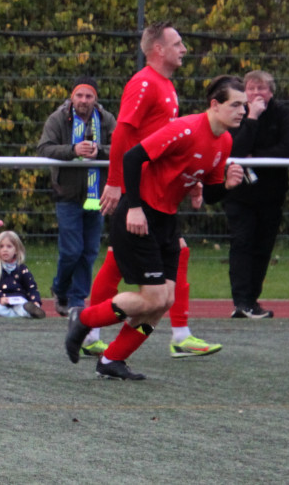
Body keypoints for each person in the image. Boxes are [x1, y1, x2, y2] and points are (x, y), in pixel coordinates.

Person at [65, 76, 246, 380]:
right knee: (151, 299)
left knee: (164, 303)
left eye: (245, 105)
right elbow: (133, 157)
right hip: (140, 215)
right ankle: (83, 318)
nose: (243, 110)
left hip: (166, 221)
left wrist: (227, 185)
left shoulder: (224, 140)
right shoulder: (185, 128)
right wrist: (134, 207)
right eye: (236, 104)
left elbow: (211, 192)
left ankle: (112, 360)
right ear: (215, 105)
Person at [85, 22, 222, 359]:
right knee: (159, 268)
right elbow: (122, 135)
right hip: (143, 192)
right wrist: (116, 184)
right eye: (177, 43)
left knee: (124, 262)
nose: (184, 49)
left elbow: (168, 144)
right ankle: (93, 327)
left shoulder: (166, 85)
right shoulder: (145, 82)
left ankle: (96, 335)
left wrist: (191, 180)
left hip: (158, 189)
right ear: (158, 49)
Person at [36, 76, 116, 316]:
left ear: (95, 99)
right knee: (71, 250)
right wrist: (73, 150)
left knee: (89, 251)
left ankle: (77, 300)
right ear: (72, 96)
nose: (83, 100)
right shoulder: (58, 118)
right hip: (67, 195)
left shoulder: (106, 119)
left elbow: (122, 147)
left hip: (97, 195)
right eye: (79, 95)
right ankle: (60, 289)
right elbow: (44, 149)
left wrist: (98, 151)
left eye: (88, 96)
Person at [224, 70, 289, 319]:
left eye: (261, 88)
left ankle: (252, 300)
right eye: (251, 89)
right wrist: (252, 118)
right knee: (242, 243)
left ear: (271, 92)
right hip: (239, 194)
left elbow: (288, 149)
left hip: (271, 194)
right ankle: (241, 302)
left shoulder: (282, 113)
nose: (256, 93)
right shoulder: (236, 112)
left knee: (263, 247)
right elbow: (234, 149)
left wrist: (257, 158)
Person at [0, 230, 47, 318]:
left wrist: (36, 302)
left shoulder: (21, 268)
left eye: (9, 246)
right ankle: (23, 315)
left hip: (18, 301)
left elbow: (31, 287)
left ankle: (29, 311)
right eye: (1, 246)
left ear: (16, 250)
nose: (5, 250)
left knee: (23, 306)